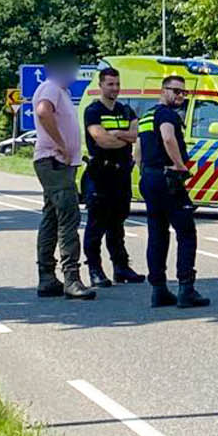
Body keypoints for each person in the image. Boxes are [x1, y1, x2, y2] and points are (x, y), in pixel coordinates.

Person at [136, 74, 210, 308]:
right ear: (163, 90)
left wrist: (144, 170)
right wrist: (179, 165)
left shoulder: (147, 115)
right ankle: (186, 288)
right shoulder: (167, 115)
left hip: (150, 177)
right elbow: (168, 138)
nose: (180, 96)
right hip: (167, 178)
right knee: (186, 232)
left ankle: (158, 290)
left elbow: (138, 149)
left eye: (183, 92)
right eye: (176, 91)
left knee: (157, 233)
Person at [31, 55, 93, 300]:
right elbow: (43, 111)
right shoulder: (51, 88)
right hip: (55, 161)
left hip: (57, 162)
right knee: (68, 216)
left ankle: (47, 277)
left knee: (51, 217)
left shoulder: (59, 91)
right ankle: (71, 278)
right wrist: (61, 144)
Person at [81, 65, 144, 289]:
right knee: (96, 225)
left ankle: (121, 266)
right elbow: (102, 140)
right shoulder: (93, 111)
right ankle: (95, 269)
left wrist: (118, 135)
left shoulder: (126, 110)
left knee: (118, 223)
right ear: (101, 85)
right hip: (100, 173)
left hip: (121, 173)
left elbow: (137, 135)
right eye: (110, 84)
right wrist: (122, 139)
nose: (115, 88)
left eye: (117, 84)